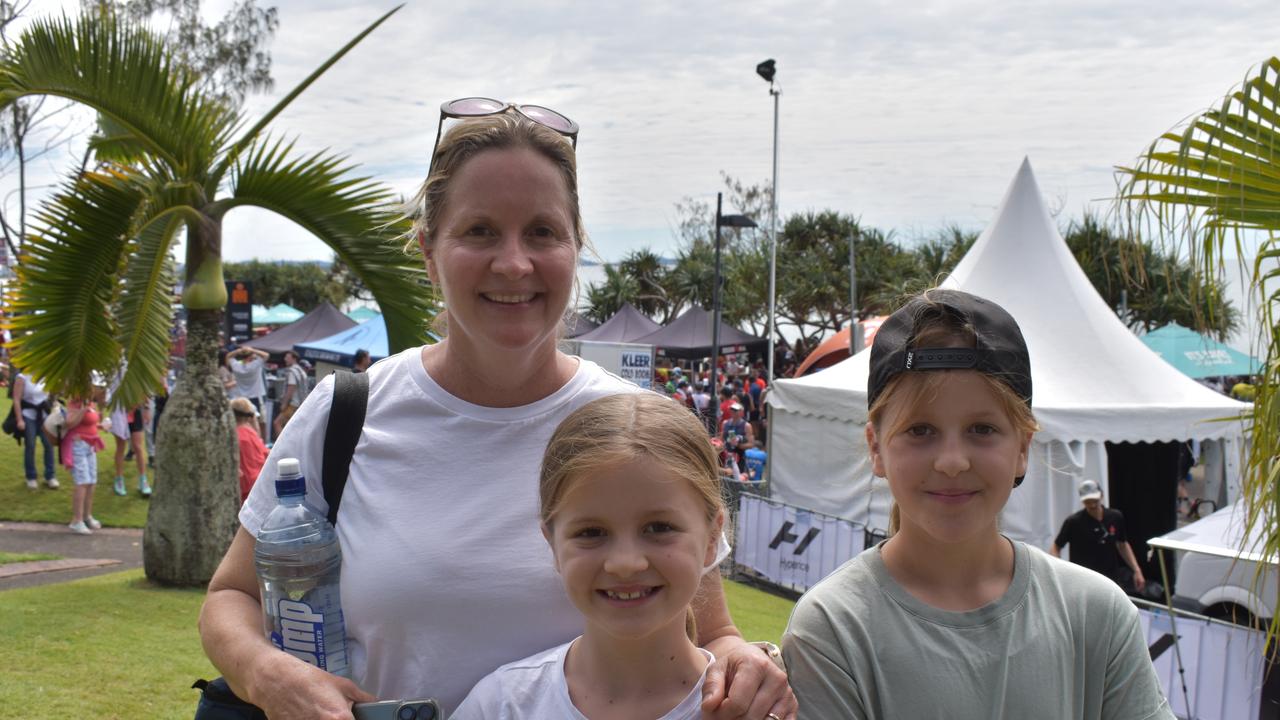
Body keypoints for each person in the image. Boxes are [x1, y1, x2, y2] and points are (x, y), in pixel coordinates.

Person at [199, 101, 794, 719]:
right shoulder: (350, 411)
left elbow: (711, 629)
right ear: (429, 251)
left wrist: (741, 658)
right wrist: (267, 673)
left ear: (574, 248)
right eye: (479, 231)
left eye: (542, 232)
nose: (513, 264)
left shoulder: (634, 425)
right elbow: (231, 595)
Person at [781, 288, 1172, 719]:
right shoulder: (833, 627)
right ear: (877, 448)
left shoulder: (1096, 613)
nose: (952, 462)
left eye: (982, 429)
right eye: (920, 430)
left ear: (1022, 447)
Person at [453, 393, 741, 719]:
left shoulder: (750, 708)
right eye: (591, 533)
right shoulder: (501, 707)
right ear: (553, 545)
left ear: (712, 538)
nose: (625, 563)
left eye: (659, 527)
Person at [1051, 479, 1146, 594]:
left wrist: (1136, 570)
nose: (1092, 504)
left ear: (1101, 495)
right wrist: (1057, 571)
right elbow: (1056, 547)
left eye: (1094, 500)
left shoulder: (1115, 517)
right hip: (1083, 581)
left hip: (1110, 580)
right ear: (1082, 501)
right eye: (1088, 501)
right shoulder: (1074, 522)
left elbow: (1123, 544)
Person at [63, 376, 108, 534]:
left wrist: (102, 426)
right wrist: (82, 410)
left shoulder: (90, 404)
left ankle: (87, 515)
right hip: (78, 445)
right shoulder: (76, 404)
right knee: (82, 481)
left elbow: (91, 423)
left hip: (90, 445)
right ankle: (77, 519)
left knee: (92, 481)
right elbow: (69, 423)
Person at [13, 369, 58, 490]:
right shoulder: (22, 377)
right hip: (28, 415)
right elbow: (16, 399)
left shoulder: (47, 375)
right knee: (30, 445)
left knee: (49, 444)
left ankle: (50, 476)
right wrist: (19, 419)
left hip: (44, 415)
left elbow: (53, 395)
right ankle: (31, 477)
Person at [231, 397, 267, 505]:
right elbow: (265, 453)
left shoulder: (232, 436)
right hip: (257, 483)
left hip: (243, 485)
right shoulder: (251, 433)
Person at [227, 345, 269, 438]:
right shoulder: (255, 365)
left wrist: (239, 351)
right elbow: (266, 355)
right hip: (256, 397)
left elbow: (228, 356)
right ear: (250, 356)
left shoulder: (236, 366)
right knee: (258, 423)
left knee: (242, 422)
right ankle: (259, 442)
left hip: (242, 398)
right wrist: (253, 350)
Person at [271, 350, 308, 438]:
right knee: (292, 427)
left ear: (294, 359)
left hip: (292, 404)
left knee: (277, 423)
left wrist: (284, 404)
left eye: (287, 357)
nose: (285, 359)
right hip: (301, 403)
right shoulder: (301, 371)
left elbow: (291, 387)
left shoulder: (292, 371)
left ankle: (281, 448)